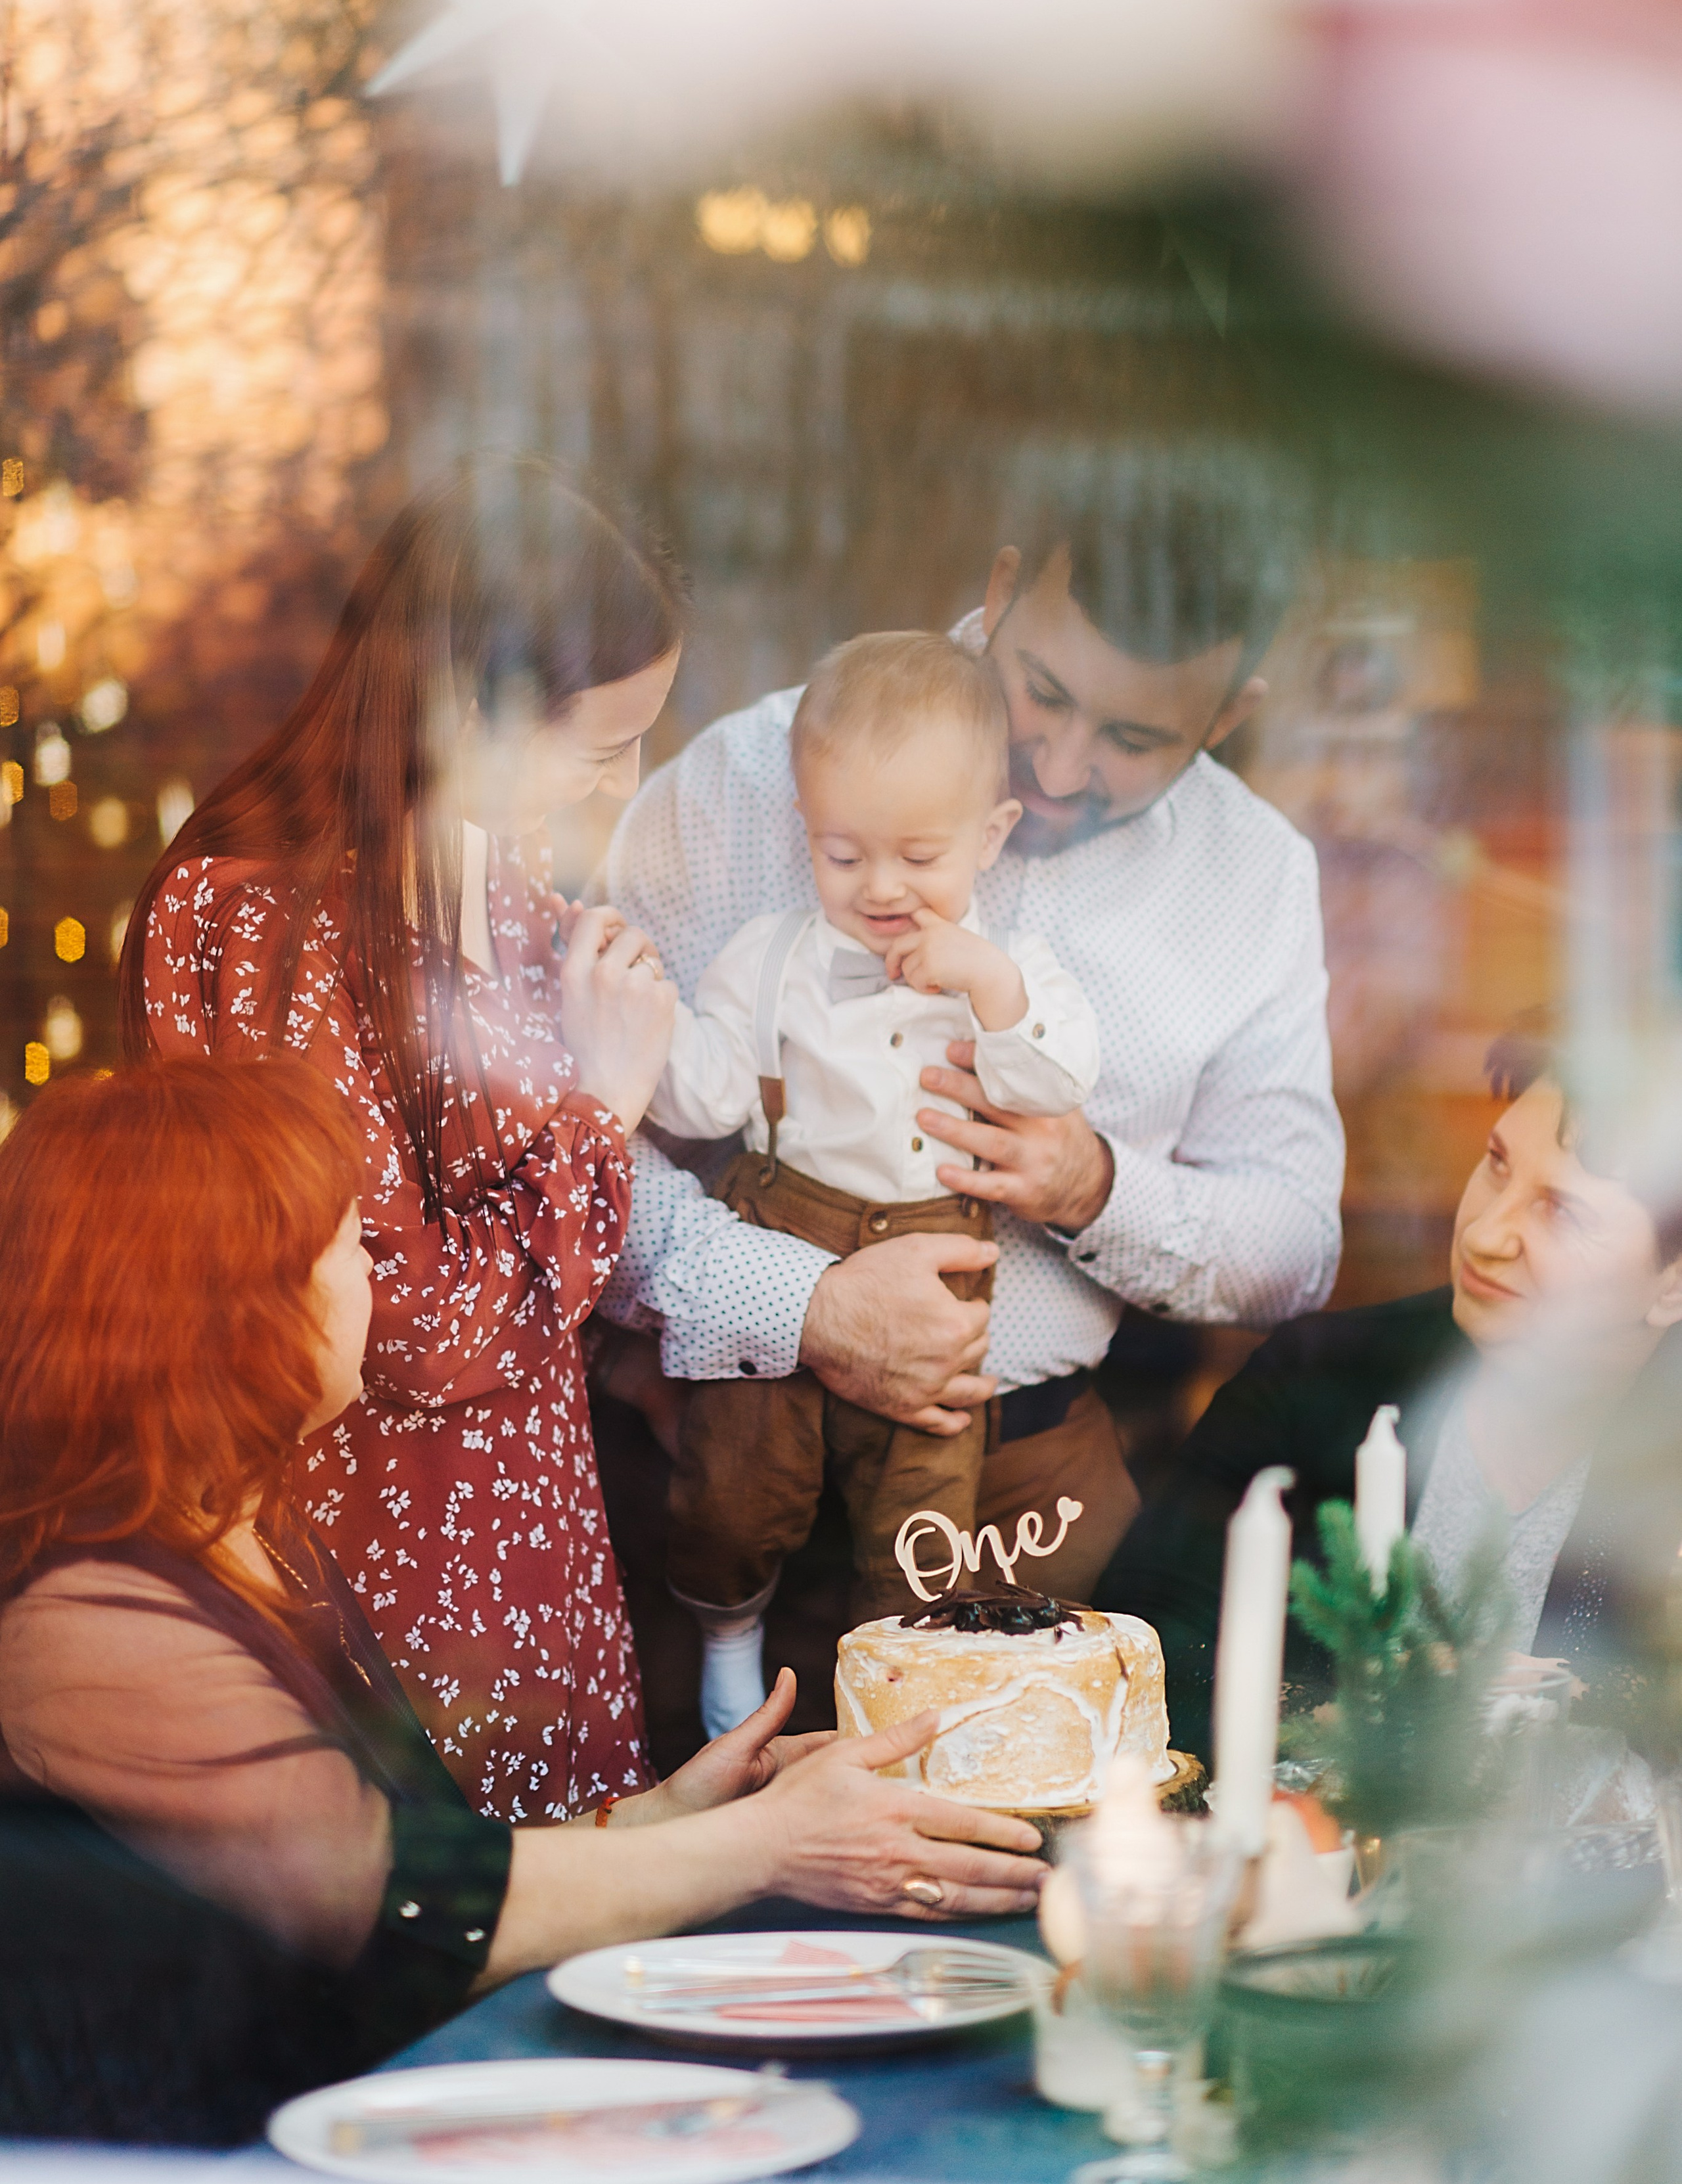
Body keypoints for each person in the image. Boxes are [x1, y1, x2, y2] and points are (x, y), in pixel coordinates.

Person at [0, 1059, 1047, 2144]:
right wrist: (771, 1848)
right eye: (347, 1248)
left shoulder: (243, 1532)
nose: (372, 1277)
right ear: (236, 1309)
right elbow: (395, 1913)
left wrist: (694, 1811)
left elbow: (432, 1862)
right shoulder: (85, 1621)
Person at [597, 455, 1344, 1601]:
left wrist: (1098, 1188)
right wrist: (792, 1308)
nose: (1055, 764)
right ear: (998, 594)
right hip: (718, 1456)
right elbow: (574, 1130)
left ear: (1232, 715)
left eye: (1134, 740)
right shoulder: (743, 787)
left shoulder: (1253, 881)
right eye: (1042, 689)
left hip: (1025, 1492)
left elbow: (1295, 1244)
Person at [120, 470, 685, 1821]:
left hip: (540, 1539)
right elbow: (409, 1328)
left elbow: (533, 1282)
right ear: (468, 702)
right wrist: (603, 1112)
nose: (626, 783)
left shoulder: (500, 876)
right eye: (599, 747)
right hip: (385, 1573)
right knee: (453, 1972)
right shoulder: (262, 915)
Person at [645, 632, 1100, 1731]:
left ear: (991, 837)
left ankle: (899, 1710)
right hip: (784, 1233)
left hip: (938, 1260)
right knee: (734, 1477)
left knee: (922, 1519)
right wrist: (643, 1033)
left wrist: (987, 987)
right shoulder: (767, 957)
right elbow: (703, 1101)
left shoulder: (1019, 971)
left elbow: (1055, 1078)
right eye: (843, 857)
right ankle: (727, 1635)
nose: (882, 888)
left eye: (918, 856)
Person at [1100, 1014, 1682, 1759]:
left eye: (1561, 1212)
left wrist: (1584, 1706)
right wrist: (1322, 1732)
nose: (1485, 1235)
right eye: (1496, 1163)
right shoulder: (1318, 1376)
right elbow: (1141, 1651)